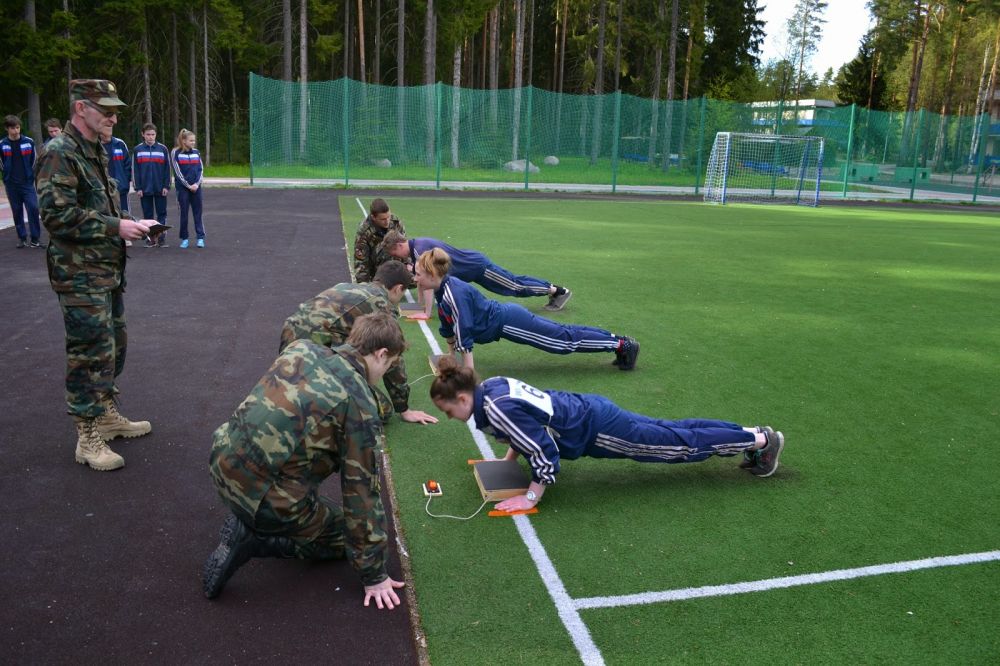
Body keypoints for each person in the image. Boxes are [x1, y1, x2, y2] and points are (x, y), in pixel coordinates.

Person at [203, 312, 408, 609]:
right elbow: (361, 494)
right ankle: (257, 540)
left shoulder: (302, 347)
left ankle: (258, 518)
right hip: (265, 498)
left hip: (220, 461)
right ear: (381, 354)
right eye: (389, 364)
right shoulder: (359, 404)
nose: (385, 372)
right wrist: (374, 573)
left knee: (309, 488)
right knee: (345, 534)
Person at [429, 355, 786, 512]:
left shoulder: (494, 408)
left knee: (676, 445)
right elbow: (524, 430)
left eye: (447, 411)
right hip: (591, 409)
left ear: (462, 398)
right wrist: (508, 463)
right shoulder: (490, 387)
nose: (449, 417)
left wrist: (531, 497)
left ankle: (761, 442)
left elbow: (543, 451)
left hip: (596, 429)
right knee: (671, 430)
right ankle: (753, 433)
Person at [34, 79, 158, 471]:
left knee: (113, 346)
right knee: (88, 352)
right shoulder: (59, 152)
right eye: (105, 110)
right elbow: (56, 216)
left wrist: (132, 223)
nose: (113, 118)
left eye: (115, 111)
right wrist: (115, 227)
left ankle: (105, 415)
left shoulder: (95, 150)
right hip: (78, 274)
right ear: (80, 108)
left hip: (105, 269)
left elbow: (99, 206)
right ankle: (87, 437)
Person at [414, 248, 639, 371]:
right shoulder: (443, 290)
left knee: (562, 341)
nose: (415, 278)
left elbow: (464, 330)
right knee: (563, 333)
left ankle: (622, 344)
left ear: (432, 275)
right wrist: (450, 356)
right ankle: (619, 342)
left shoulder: (453, 292)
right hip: (507, 319)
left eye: (418, 274)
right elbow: (448, 327)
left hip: (509, 322)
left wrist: (468, 373)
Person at [279, 261, 438, 425]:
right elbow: (393, 358)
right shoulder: (382, 304)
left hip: (289, 348)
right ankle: (315, 402)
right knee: (383, 409)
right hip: (311, 354)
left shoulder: (349, 287)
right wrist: (403, 408)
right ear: (398, 288)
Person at [381, 230, 572, 315]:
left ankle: (558, 291)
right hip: (473, 270)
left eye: (394, 253)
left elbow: (429, 283)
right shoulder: (416, 248)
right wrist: (420, 306)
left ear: (399, 245)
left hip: (478, 267)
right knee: (513, 284)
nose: (396, 257)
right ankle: (554, 290)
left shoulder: (419, 250)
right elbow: (423, 280)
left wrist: (426, 312)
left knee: (515, 286)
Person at [1, 114, 42, 248]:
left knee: (33, 208)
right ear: (7, 129)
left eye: (17, 127)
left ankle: (35, 238)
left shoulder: (28, 142)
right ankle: (22, 238)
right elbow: (1, 162)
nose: (16, 131)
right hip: (11, 184)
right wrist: (7, 175)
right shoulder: (2, 144)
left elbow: (34, 160)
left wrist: (30, 175)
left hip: (27, 183)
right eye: (13, 128)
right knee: (17, 211)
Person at [132, 122, 170, 247]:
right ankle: (151, 239)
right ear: (143, 134)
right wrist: (138, 188)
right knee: (148, 216)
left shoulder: (163, 149)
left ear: (156, 134)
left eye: (153, 134)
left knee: (161, 214)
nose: (150, 137)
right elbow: (135, 170)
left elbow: (167, 169)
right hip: (144, 189)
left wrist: (166, 186)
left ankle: (161, 239)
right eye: (148, 134)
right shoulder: (137, 150)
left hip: (160, 188)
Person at [353, 197, 405, 283]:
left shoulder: (395, 222)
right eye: (383, 219)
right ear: (373, 217)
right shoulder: (364, 230)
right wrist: (364, 286)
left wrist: (408, 268)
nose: (387, 221)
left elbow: (404, 245)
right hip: (375, 267)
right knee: (385, 248)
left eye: (388, 217)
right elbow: (361, 260)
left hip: (395, 263)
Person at [170, 128, 205, 248]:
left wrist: (197, 184)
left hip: (196, 187)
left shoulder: (196, 152)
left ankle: (200, 238)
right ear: (184, 141)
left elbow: (201, 169)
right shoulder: (175, 152)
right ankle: (184, 239)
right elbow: (177, 172)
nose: (193, 143)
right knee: (183, 214)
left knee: (198, 213)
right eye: (191, 141)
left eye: (194, 140)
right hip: (183, 189)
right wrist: (188, 186)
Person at [99, 125, 132, 214]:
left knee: (125, 214)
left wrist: (125, 181)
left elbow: (128, 164)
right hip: (103, 190)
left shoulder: (120, 144)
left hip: (120, 188)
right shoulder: (95, 145)